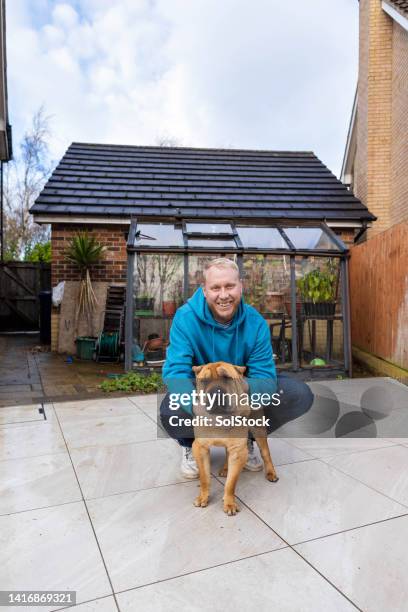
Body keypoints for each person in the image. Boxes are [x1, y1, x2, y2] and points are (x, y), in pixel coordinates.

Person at [161, 258, 314, 479]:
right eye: (215, 288)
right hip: (202, 391)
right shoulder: (185, 318)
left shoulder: (256, 322)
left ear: (240, 285)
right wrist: (198, 405)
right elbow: (176, 373)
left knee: (297, 394)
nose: (224, 295)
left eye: (230, 286)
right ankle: (191, 445)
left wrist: (233, 397)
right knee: (171, 410)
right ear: (204, 290)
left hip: (241, 392)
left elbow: (264, 378)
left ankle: (247, 440)